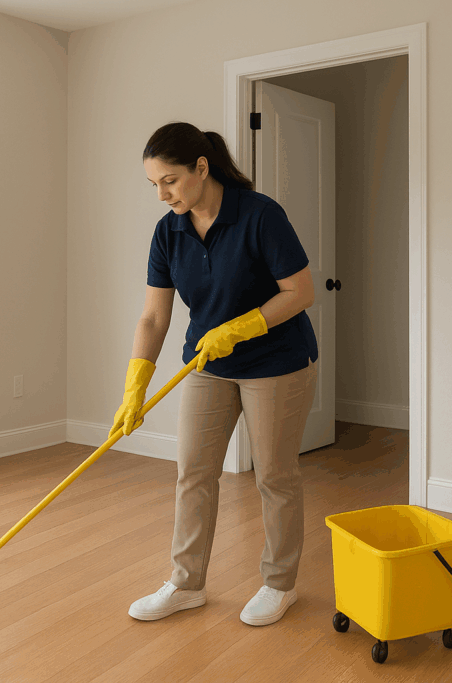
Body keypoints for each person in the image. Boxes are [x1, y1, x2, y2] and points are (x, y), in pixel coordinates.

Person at [112, 121, 319, 627]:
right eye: (154, 184)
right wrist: (134, 386)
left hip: (276, 363)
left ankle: (279, 583)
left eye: (171, 181)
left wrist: (242, 328)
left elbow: (300, 292)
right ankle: (186, 584)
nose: (162, 194)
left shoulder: (260, 215)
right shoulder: (170, 231)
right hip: (207, 364)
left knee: (274, 476)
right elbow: (154, 317)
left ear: (201, 168)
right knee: (195, 474)